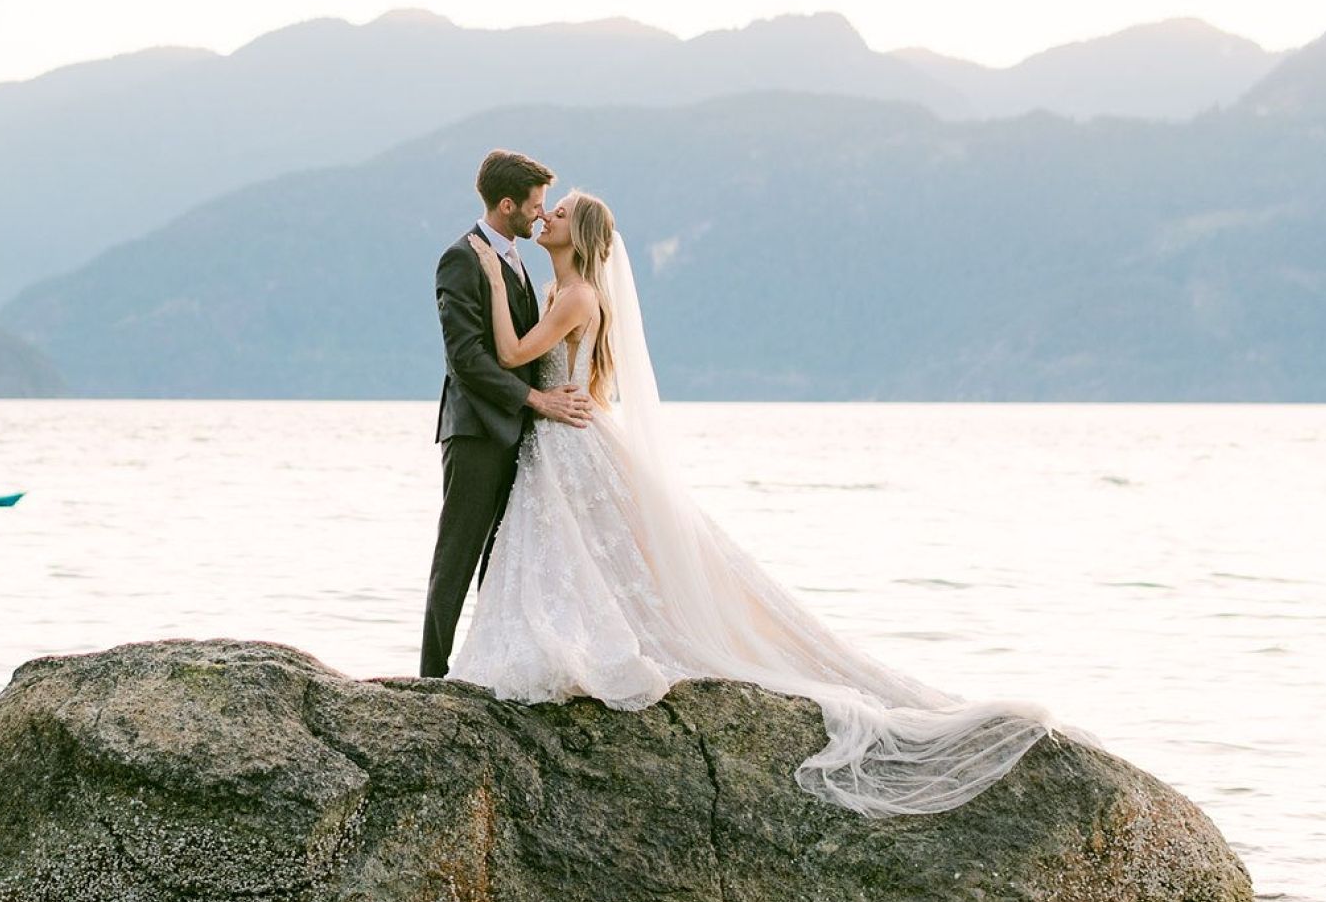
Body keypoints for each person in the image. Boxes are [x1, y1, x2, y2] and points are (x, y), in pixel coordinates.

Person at [444, 185, 1058, 819]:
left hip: (565, 439)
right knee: (574, 554)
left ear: (585, 235)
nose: (547, 216)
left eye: (561, 212)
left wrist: (491, 276)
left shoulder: (575, 296)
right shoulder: (558, 292)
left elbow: (515, 354)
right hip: (562, 435)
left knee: (580, 550)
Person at [420, 150, 596, 679]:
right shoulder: (461, 258)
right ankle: (430, 676)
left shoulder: (520, 260)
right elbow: (466, 358)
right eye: (536, 206)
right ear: (506, 204)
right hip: (476, 430)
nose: (541, 215)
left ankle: (482, 667)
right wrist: (537, 401)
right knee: (458, 555)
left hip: (519, 435)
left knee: (500, 564)